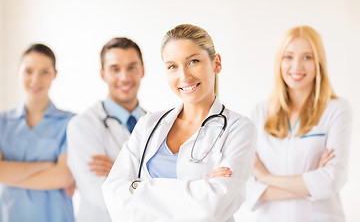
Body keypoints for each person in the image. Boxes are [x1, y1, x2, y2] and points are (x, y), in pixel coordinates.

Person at [102, 24, 256, 222]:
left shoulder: (239, 128)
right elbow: (113, 194)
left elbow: (213, 207)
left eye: (193, 61)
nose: (184, 76)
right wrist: (200, 189)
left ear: (216, 62)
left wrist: (137, 187)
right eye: (172, 66)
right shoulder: (148, 124)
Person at [246, 26, 352, 222]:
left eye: (307, 57)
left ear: (319, 63)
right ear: (279, 61)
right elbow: (247, 187)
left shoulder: (337, 109)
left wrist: (266, 178)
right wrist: (311, 183)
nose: (297, 66)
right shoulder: (259, 112)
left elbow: (331, 180)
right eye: (288, 57)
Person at [66, 37, 146, 222]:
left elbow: (174, 188)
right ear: (103, 74)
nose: (125, 77)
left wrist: (120, 172)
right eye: (115, 69)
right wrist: (148, 182)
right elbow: (102, 194)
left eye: (132, 67)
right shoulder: (83, 126)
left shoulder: (157, 125)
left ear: (142, 70)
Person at [0, 44, 75, 222]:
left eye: (44, 72)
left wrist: (9, 175)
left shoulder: (70, 122)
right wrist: (48, 165)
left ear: (54, 75)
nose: (36, 79)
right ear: (18, 73)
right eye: (28, 71)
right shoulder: (2, 122)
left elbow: (64, 176)